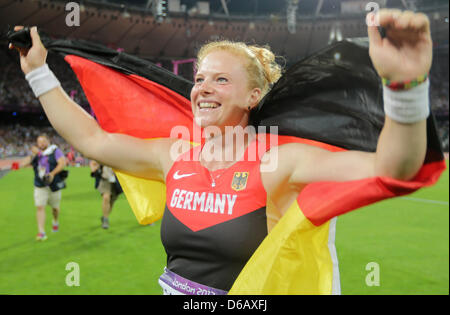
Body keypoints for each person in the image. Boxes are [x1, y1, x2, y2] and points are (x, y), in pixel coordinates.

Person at [11, 9, 433, 292]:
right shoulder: (175, 155)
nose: (203, 89)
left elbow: (392, 167)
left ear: (253, 96)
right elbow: (92, 140)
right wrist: (39, 74)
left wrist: (405, 88)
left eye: (220, 81)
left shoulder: (279, 161)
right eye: (199, 79)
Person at [21, 134, 67, 241]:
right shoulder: (36, 154)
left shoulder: (55, 150)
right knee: (40, 207)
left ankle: (55, 221)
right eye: (39, 142)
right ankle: (41, 232)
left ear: (48, 141)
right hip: (40, 184)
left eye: (43, 141)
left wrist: (52, 174)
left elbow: (62, 163)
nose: (41, 144)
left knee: (55, 208)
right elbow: (23, 164)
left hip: (53, 184)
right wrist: (33, 155)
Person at [89, 160, 122, 229]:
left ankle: (104, 216)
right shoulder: (104, 153)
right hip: (105, 179)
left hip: (117, 180)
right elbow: (93, 162)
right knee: (106, 197)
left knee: (111, 202)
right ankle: (105, 220)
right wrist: (94, 169)